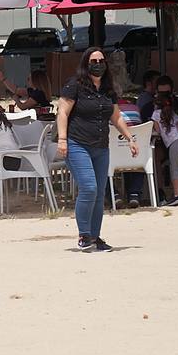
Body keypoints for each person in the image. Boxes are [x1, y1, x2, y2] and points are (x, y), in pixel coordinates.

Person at [57, 47, 138, 251]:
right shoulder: (74, 86)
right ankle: (84, 235)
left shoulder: (108, 89)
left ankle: (95, 236)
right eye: (94, 61)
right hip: (77, 144)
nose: (98, 64)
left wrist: (130, 138)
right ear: (86, 64)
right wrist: (62, 139)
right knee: (89, 188)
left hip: (101, 147)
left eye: (102, 60)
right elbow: (63, 112)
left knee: (100, 193)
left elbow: (116, 116)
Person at [151, 86, 178, 206]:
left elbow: (157, 132)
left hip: (172, 142)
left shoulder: (156, 114)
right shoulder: (173, 113)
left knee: (174, 167)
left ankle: (177, 195)